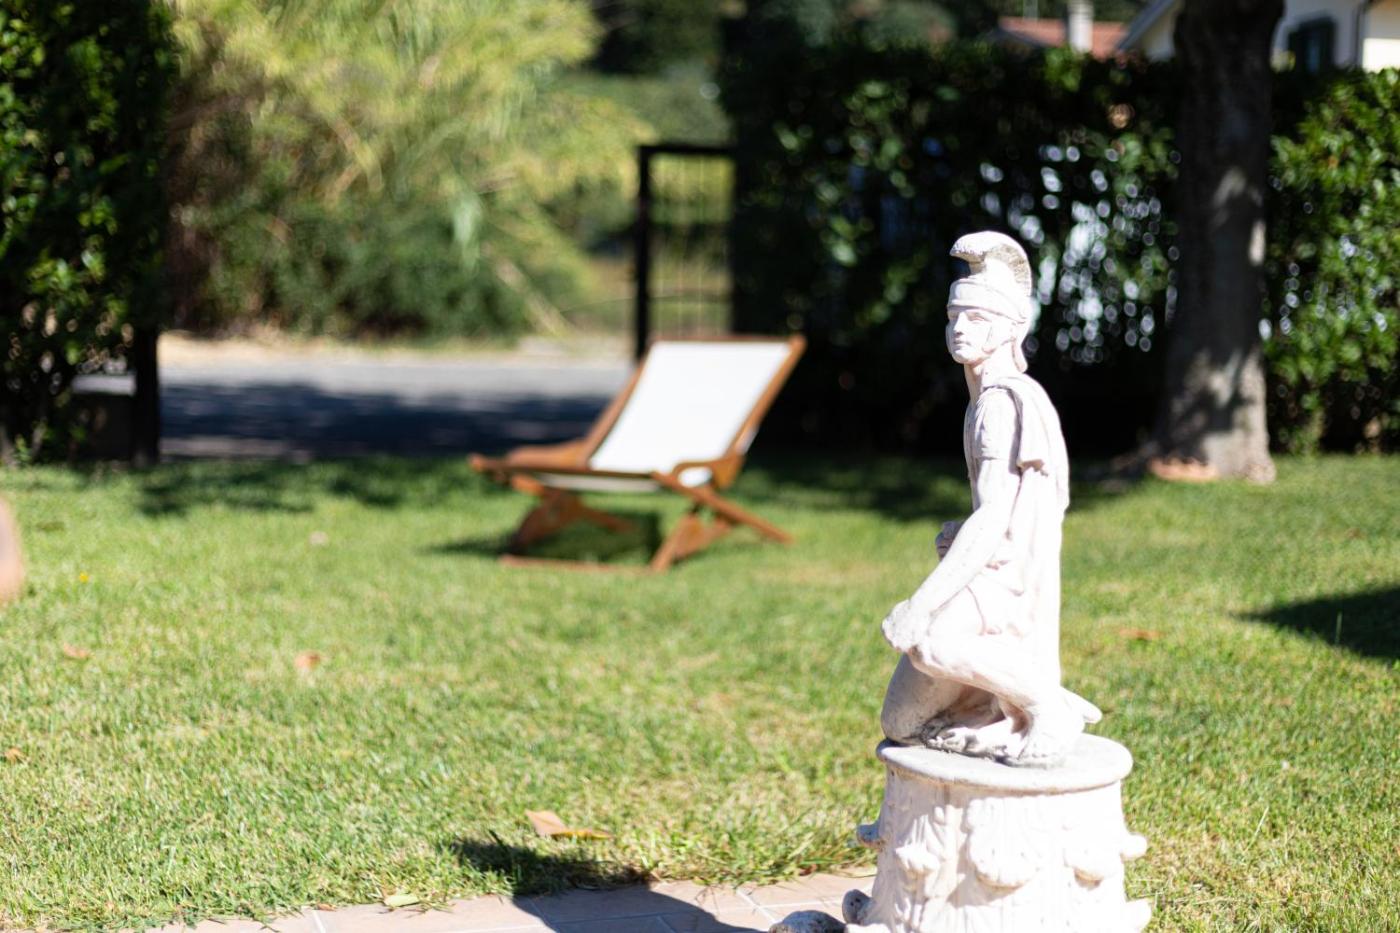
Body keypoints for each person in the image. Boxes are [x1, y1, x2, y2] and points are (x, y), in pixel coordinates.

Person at [879, 231, 1097, 767]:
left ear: (1009, 329)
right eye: (954, 317)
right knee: (902, 724)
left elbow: (997, 518)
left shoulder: (1000, 404)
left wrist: (920, 605)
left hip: (1002, 580)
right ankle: (1004, 701)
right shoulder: (982, 403)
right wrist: (961, 532)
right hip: (989, 569)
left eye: (977, 318)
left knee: (929, 641)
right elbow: (1003, 508)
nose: (960, 329)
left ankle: (1047, 707)